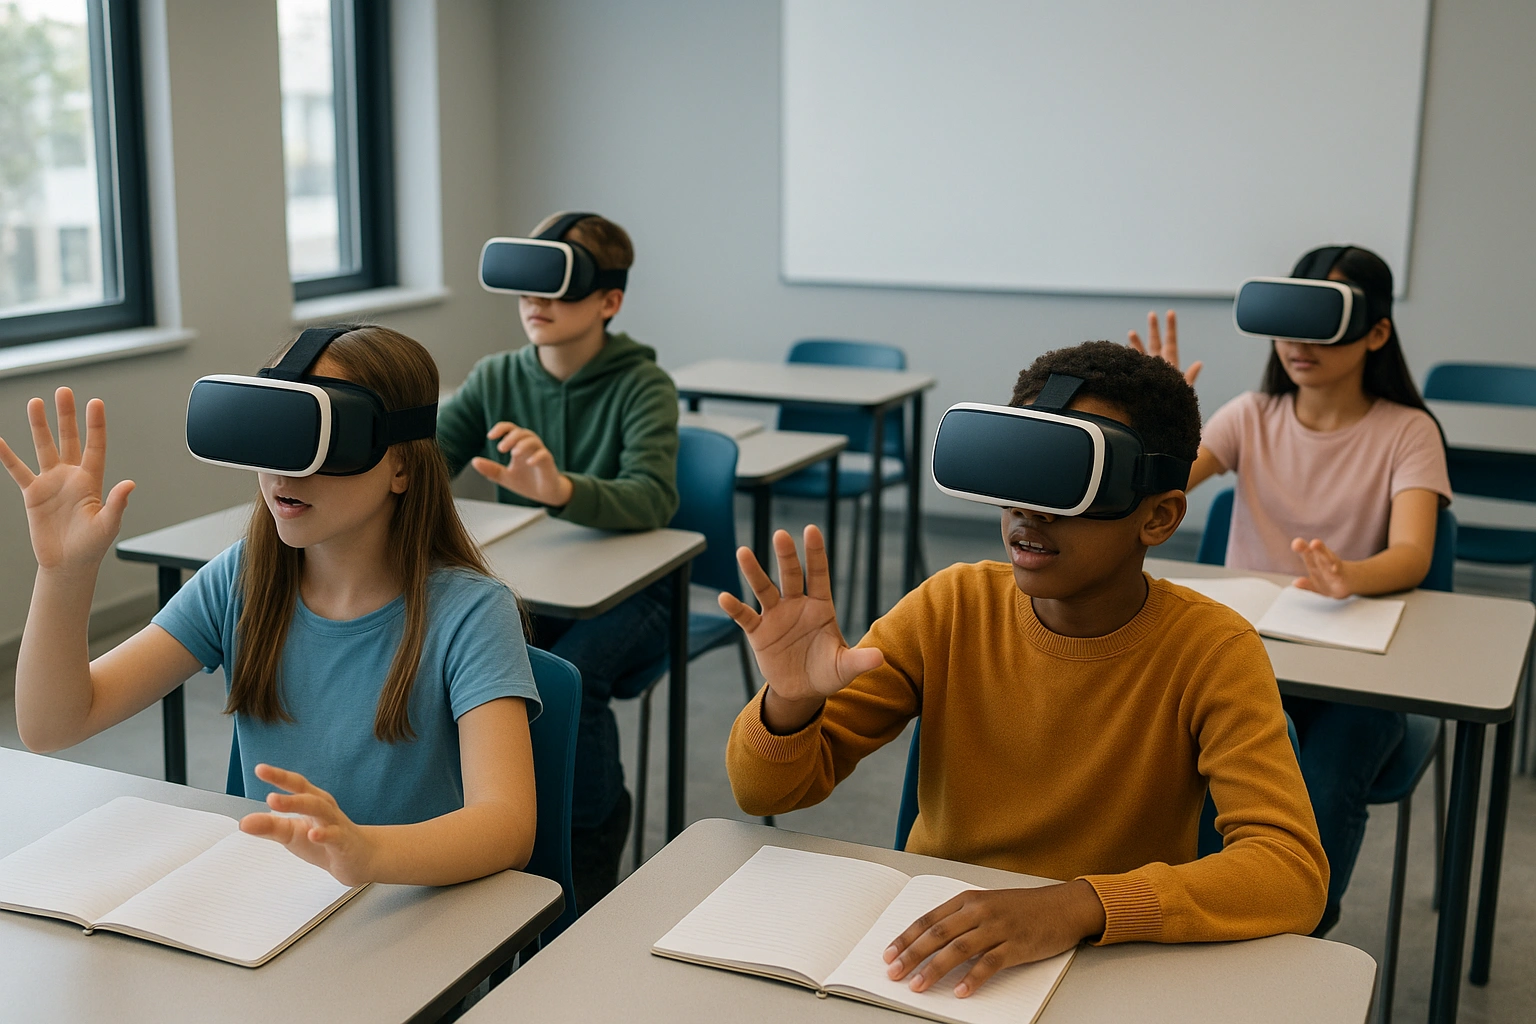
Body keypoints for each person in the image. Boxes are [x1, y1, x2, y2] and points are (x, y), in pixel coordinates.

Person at [723, 341, 1327, 998]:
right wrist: (789, 704)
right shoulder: (952, 607)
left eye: (1067, 480)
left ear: (1158, 515)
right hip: (936, 956)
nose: (1029, 511)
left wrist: (1077, 906)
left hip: (1110, 965)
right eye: (1019, 472)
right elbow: (763, 795)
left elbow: (1289, 872)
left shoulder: (1211, 650)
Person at [3, 325, 540, 888]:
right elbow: (52, 725)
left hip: (411, 914)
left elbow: (507, 825)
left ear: (401, 467)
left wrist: (365, 853)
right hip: (271, 907)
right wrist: (64, 574)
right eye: (272, 436)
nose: (286, 470)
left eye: (319, 441)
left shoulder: (472, 614)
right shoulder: (244, 581)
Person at [1130, 244, 1451, 934]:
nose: (1301, 342)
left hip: (1357, 676)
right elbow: (1162, 492)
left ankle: (1297, 934)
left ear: (1375, 332)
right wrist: (1162, 425)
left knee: (1326, 779)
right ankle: (1219, 914)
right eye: (1289, 317)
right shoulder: (1251, 415)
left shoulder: (1408, 432)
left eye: (1324, 320)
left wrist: (1350, 577)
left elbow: (1414, 553)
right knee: (1209, 766)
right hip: (1252, 657)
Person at [437, 212, 679, 910]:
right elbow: (425, 467)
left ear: (609, 301)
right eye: (525, 292)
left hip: (641, 595)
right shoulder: (494, 378)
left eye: (559, 292)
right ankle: (486, 822)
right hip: (531, 588)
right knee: (467, 655)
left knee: (569, 675)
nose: (536, 307)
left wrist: (560, 490)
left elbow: (654, 498)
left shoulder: (643, 385)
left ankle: (590, 844)